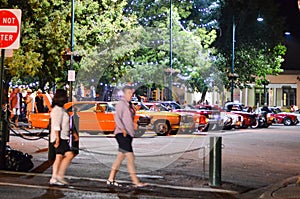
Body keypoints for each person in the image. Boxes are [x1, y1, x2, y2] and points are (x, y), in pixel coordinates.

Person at [107, 85, 147, 188]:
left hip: (128, 134)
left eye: (132, 93)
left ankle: (110, 179)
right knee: (130, 157)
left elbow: (129, 119)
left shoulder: (129, 105)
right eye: (129, 93)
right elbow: (117, 118)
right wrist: (123, 130)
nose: (131, 95)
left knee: (120, 158)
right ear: (124, 94)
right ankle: (136, 181)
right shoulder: (121, 104)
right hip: (122, 134)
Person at [49, 89, 79, 186]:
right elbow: (56, 125)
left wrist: (73, 133)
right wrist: (57, 139)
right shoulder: (57, 110)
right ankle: (59, 176)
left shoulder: (61, 109)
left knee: (59, 157)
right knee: (69, 155)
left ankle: (54, 177)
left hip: (63, 137)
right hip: (60, 137)